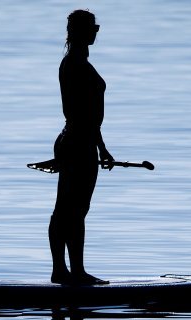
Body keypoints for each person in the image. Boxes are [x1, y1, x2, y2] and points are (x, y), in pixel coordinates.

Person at [49, 9, 114, 286]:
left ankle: (69, 271)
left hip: (80, 140)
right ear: (79, 31)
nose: (96, 32)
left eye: (97, 27)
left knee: (74, 209)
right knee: (70, 209)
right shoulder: (74, 63)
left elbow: (89, 116)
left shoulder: (78, 61)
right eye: (93, 27)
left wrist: (102, 148)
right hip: (77, 142)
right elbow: (79, 113)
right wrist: (95, 146)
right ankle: (70, 272)